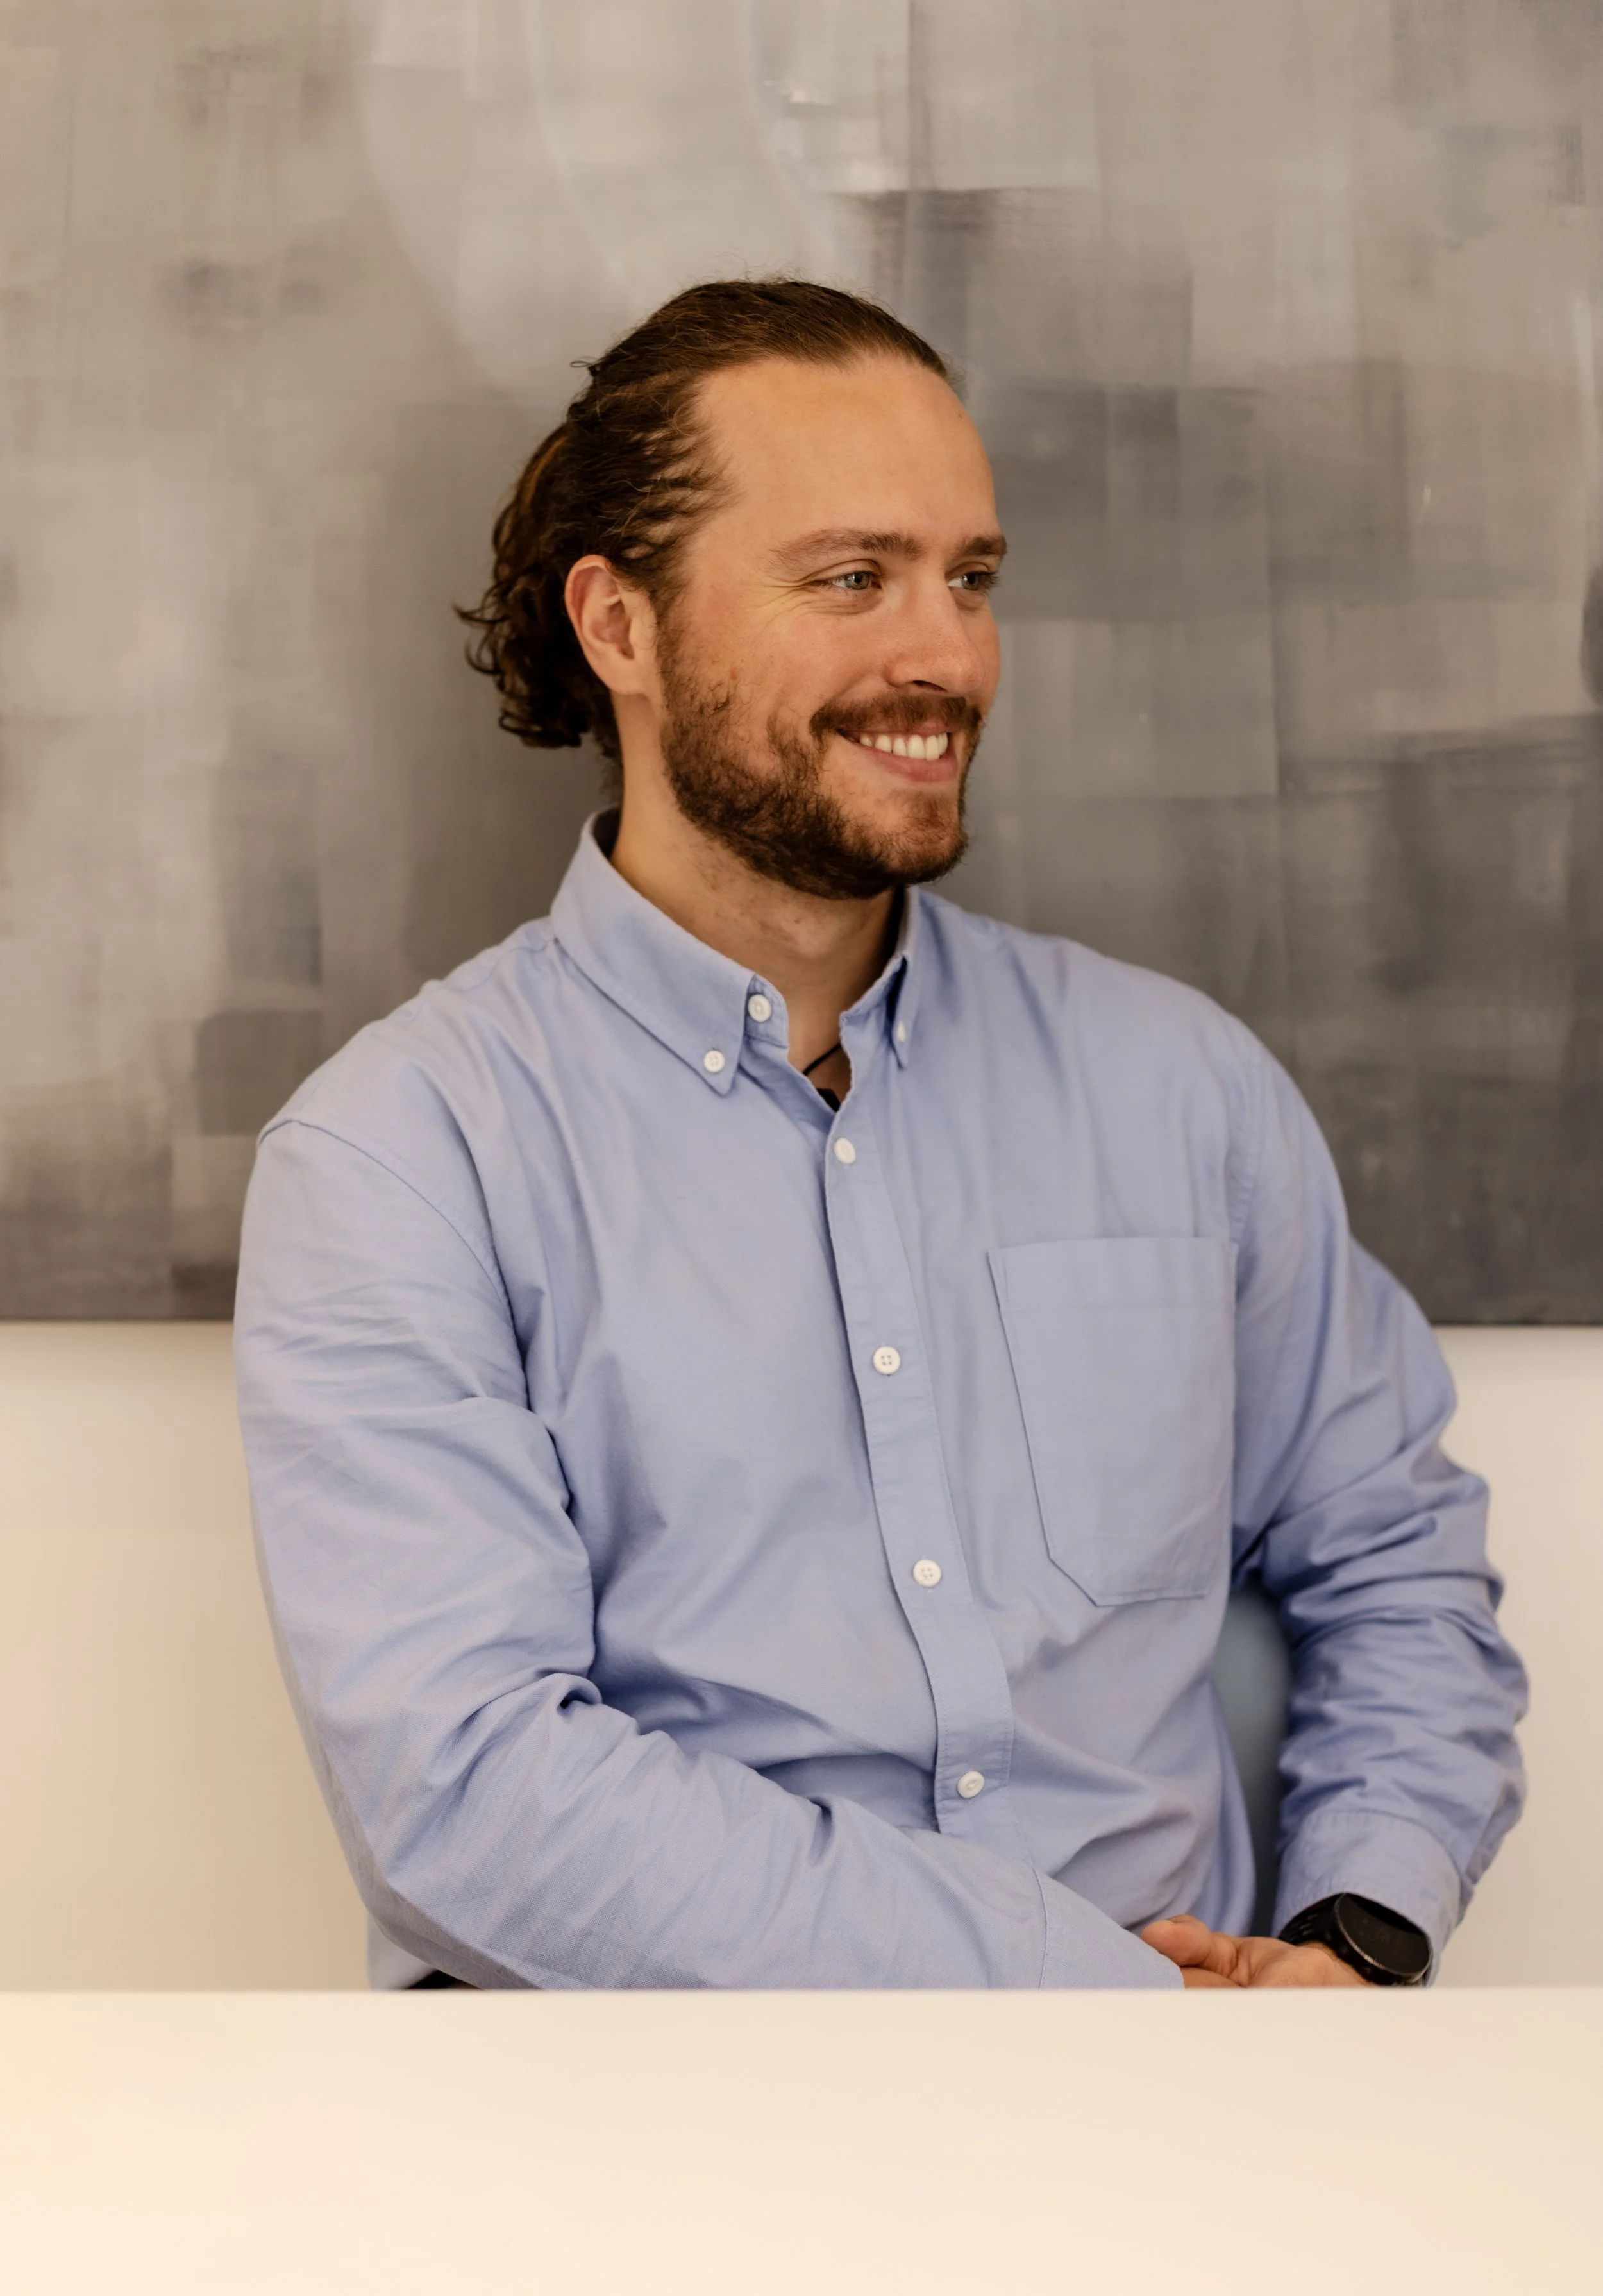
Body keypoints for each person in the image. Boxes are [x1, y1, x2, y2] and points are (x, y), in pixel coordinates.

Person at [235, 280, 1526, 1993]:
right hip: (634, 2153)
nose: (944, 657)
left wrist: (1355, 1928)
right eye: (851, 578)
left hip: (1192, 2134)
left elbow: (1390, 1558)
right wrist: (1073, 1986)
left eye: (968, 578)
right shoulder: (405, 1156)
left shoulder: (1180, 1091)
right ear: (619, 626)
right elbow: (471, 1790)